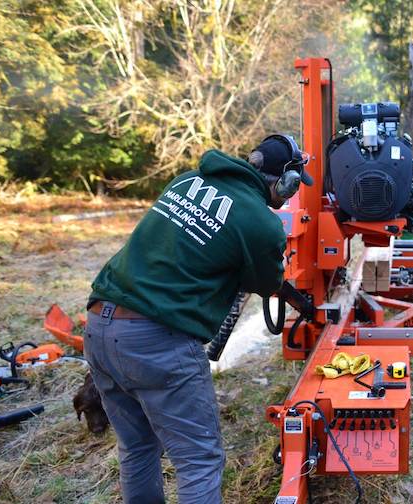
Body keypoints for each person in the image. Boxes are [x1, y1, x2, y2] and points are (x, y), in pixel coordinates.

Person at [83, 133, 311, 504]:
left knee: (137, 448)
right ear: (286, 182)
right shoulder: (261, 222)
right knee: (199, 460)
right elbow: (268, 283)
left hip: (99, 326)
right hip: (157, 341)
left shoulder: (187, 180)